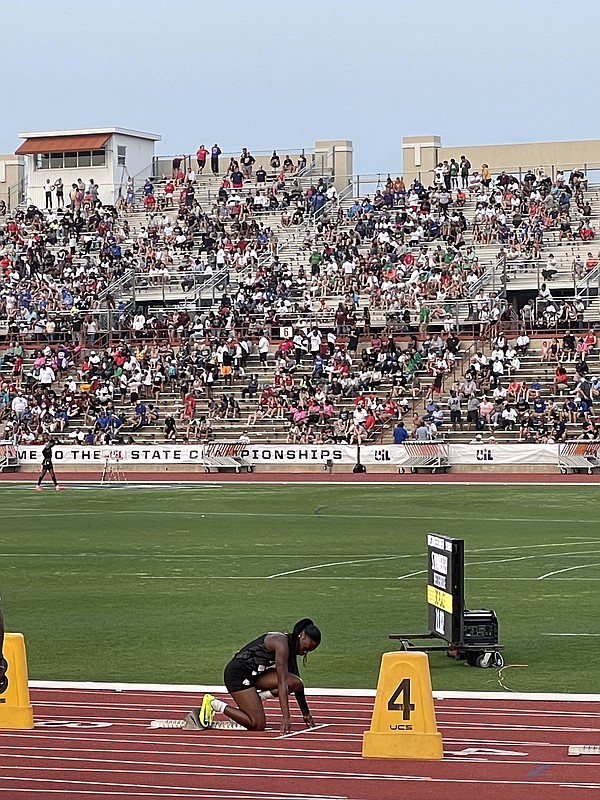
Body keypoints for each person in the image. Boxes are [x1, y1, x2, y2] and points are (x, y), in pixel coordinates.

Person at [186, 618, 321, 734]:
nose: (304, 652)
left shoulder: (291, 646)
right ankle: (213, 703)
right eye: (305, 648)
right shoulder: (281, 644)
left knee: (296, 683)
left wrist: (306, 713)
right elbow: (281, 683)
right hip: (237, 675)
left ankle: (256, 699)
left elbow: (294, 682)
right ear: (301, 635)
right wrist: (286, 717)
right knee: (257, 724)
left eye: (309, 651)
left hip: (255, 675)